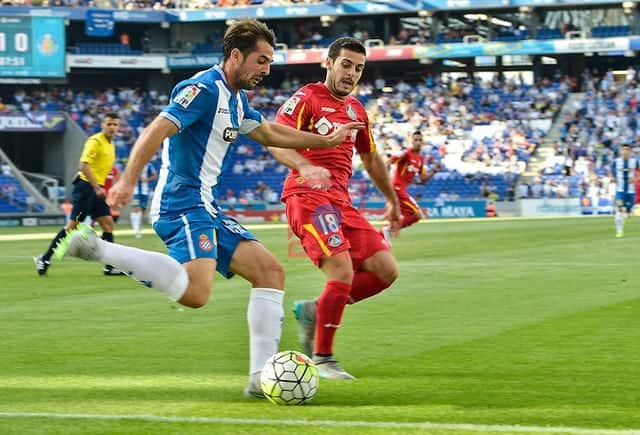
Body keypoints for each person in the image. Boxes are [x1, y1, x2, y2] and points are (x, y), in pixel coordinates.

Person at [53, 19, 362, 397]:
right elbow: (155, 130)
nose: (266, 70)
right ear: (236, 55)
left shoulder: (237, 100)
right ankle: (97, 248)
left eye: (269, 62)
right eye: (261, 61)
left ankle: (259, 379)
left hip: (206, 206)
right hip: (180, 202)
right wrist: (128, 181)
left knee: (270, 272)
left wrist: (322, 139)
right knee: (197, 294)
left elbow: (270, 133)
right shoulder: (203, 89)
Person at [270, 37, 401, 380]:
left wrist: (392, 199)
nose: (351, 73)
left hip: (340, 202)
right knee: (341, 271)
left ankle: (317, 309)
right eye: (345, 64)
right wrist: (304, 166)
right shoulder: (307, 97)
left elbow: (371, 158)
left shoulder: (357, 110)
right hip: (307, 196)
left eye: (358, 68)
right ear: (328, 63)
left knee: (386, 270)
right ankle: (323, 358)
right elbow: (275, 138)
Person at [34, 112, 122, 276]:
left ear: (118, 127)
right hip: (86, 188)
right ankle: (44, 258)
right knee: (72, 226)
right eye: (109, 124)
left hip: (96, 189)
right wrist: (96, 188)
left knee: (108, 224)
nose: (112, 127)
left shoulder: (111, 145)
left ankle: (109, 266)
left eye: (115, 124)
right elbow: (83, 165)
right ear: (102, 125)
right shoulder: (95, 141)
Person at [381, 130, 441, 245]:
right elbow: (388, 162)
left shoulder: (420, 159)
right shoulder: (406, 154)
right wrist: (386, 180)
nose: (418, 142)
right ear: (411, 141)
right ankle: (388, 230)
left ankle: (385, 232)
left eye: (420, 140)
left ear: (423, 142)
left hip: (402, 189)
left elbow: (423, 178)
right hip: (397, 188)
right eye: (415, 140)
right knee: (417, 214)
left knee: (414, 215)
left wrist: (434, 171)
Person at [611, 144, 638, 237]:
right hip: (620, 191)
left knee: (628, 211)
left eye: (627, 150)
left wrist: (635, 179)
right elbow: (610, 171)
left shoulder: (635, 162)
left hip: (631, 192)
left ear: (630, 151)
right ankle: (619, 231)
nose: (625, 151)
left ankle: (627, 212)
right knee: (619, 209)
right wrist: (612, 178)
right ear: (621, 151)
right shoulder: (616, 161)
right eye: (623, 150)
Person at [130, 162, 157, 238]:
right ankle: (136, 231)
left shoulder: (149, 165)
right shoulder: (134, 164)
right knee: (136, 208)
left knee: (142, 210)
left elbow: (155, 176)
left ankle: (138, 228)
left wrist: (147, 179)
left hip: (145, 192)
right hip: (135, 192)